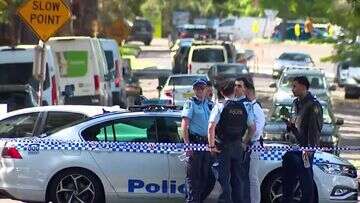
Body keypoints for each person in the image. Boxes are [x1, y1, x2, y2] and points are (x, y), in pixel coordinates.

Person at [208, 80, 256, 203]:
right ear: (234, 91)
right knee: (238, 180)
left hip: (222, 147)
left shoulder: (220, 106)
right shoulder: (246, 105)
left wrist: (212, 145)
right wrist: (244, 142)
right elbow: (252, 128)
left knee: (223, 181)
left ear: (222, 92)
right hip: (237, 147)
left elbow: (211, 127)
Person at [282, 76, 323, 203]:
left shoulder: (313, 105)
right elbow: (296, 123)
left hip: (306, 148)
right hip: (294, 146)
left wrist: (310, 148)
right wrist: (289, 126)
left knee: (306, 179)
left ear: (303, 87)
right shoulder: (296, 103)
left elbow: (314, 129)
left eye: (295, 86)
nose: (292, 89)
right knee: (288, 175)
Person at [181, 79, 213, 203]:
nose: (199, 90)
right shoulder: (190, 103)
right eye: (197, 88)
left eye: (202, 88)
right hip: (195, 144)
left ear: (206, 90)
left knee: (206, 178)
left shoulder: (209, 104)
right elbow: (184, 125)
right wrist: (187, 145)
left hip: (207, 144)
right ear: (194, 90)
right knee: (194, 179)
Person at [245, 82, 265, 203]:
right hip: (247, 144)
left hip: (253, 144)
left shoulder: (256, 108)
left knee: (252, 176)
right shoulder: (247, 106)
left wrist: (246, 140)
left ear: (248, 91)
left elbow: (256, 130)